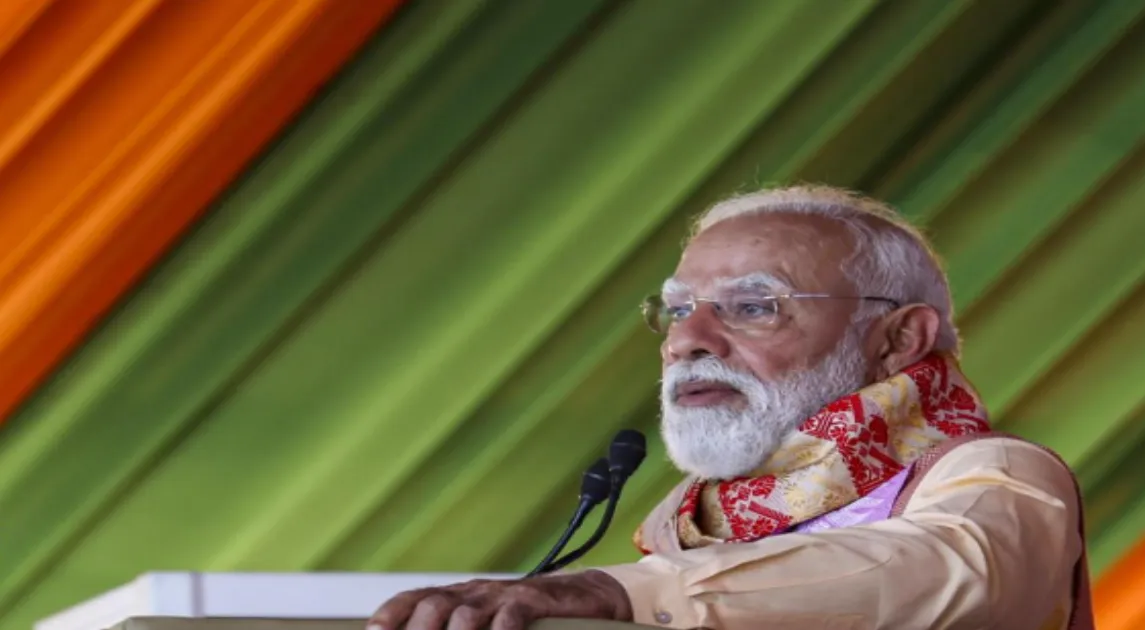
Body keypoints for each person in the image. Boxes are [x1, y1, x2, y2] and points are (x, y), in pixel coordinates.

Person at [367, 185, 1094, 630]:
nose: (686, 340)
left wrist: (615, 592)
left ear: (898, 339)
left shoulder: (990, 474)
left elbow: (952, 573)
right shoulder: (691, 522)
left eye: (752, 306)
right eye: (678, 309)